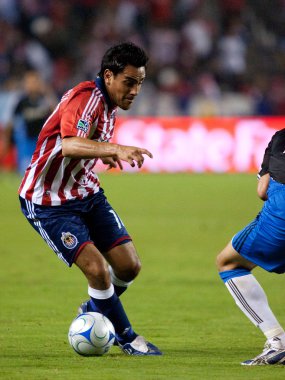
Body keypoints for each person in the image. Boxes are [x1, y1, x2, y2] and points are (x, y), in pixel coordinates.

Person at [18, 42, 162, 356]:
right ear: (108, 76)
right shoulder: (85, 99)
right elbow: (70, 145)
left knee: (129, 267)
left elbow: (85, 147)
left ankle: (95, 304)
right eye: (129, 82)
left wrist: (104, 155)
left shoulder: (110, 105)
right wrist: (115, 149)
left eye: (140, 83)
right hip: (48, 201)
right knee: (96, 270)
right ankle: (128, 337)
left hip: (86, 191)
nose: (135, 90)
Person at [216, 128, 285, 365]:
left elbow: (262, 191)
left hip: (281, 215)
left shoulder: (280, 138)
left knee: (229, 262)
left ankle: (278, 341)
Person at [2, 70, 57, 174]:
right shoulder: (21, 101)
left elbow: (57, 112)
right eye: (28, 82)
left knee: (42, 171)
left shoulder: (44, 99)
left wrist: (47, 92)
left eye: (34, 82)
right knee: (26, 171)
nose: (31, 85)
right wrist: (6, 141)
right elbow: (10, 121)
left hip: (42, 140)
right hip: (26, 141)